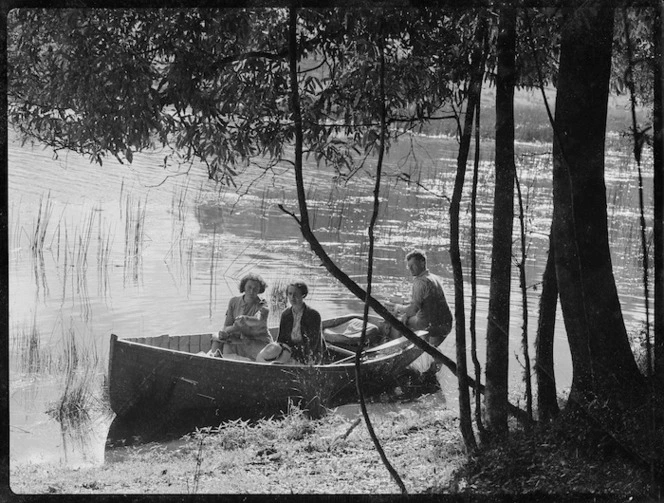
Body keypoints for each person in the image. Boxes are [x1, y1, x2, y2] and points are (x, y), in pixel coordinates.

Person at [389, 249, 453, 346]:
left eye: (413, 266)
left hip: (431, 326)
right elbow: (427, 304)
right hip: (446, 324)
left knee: (398, 321)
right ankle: (423, 348)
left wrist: (397, 308)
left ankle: (397, 349)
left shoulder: (420, 282)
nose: (410, 269)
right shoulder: (434, 277)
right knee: (432, 355)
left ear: (422, 263)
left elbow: (413, 310)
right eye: (408, 266)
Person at [208, 273, 272, 360]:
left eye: (255, 288)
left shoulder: (262, 304)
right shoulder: (233, 302)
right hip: (238, 338)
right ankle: (214, 364)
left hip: (256, 341)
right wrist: (225, 333)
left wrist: (244, 321)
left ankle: (228, 366)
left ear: (259, 289)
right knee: (216, 339)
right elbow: (226, 326)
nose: (252, 291)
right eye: (249, 287)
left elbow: (259, 320)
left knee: (228, 346)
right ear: (244, 287)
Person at [275, 281, 326, 364]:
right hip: (290, 351)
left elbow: (313, 343)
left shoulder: (313, 315)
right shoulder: (285, 314)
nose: (292, 297)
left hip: (309, 354)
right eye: (290, 294)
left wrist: (298, 356)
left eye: (296, 294)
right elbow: (281, 339)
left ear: (303, 295)